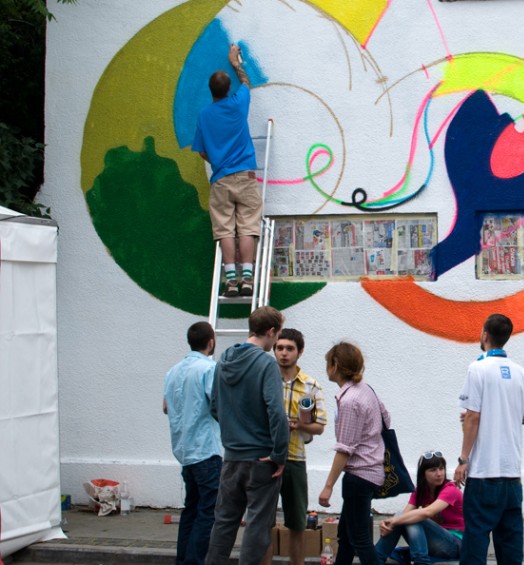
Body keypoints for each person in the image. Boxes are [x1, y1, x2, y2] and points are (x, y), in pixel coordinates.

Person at [205, 306, 289, 565]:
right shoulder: (266, 363)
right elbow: (276, 411)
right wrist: (279, 454)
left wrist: (234, 433)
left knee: (224, 523)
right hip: (261, 458)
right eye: (277, 337)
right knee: (257, 527)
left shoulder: (223, 361)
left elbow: (214, 407)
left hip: (231, 457)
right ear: (272, 331)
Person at [454, 313, 524, 565]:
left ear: (485, 335)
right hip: (512, 474)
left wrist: (463, 459)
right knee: (510, 546)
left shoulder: (477, 368)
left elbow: (473, 417)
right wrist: (503, 415)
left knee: (475, 543)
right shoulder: (521, 372)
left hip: (483, 473)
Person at [192, 43, 260, 298]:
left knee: (224, 230)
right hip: (245, 176)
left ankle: (230, 282)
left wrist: (218, 162)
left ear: (211, 91)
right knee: (247, 228)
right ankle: (248, 280)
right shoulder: (238, 104)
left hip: (221, 179)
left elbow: (202, 152)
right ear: (228, 88)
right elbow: (247, 83)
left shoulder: (204, 116)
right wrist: (236, 63)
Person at [260, 329, 327, 565]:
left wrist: (299, 424)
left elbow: (320, 426)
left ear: (300, 351)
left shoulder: (311, 385)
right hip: (265, 458)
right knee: (263, 524)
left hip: (295, 458)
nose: (284, 353)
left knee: (297, 523)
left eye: (289, 348)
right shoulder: (264, 379)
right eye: (279, 348)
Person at [318, 342, 388, 565]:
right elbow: (387, 419)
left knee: (359, 539)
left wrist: (328, 486)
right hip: (371, 472)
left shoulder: (349, 400)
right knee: (346, 537)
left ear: (335, 365)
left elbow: (345, 448)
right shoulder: (366, 391)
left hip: (359, 475)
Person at [163, 321, 222, 565]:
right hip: (206, 449)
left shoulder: (173, 371)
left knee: (190, 509)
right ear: (211, 342)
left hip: (184, 450)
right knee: (207, 513)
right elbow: (217, 405)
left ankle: (183, 560)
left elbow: (166, 407)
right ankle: (194, 561)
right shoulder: (209, 368)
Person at [375, 451, 463, 565]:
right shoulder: (420, 491)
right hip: (434, 543)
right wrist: (389, 523)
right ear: (423, 473)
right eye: (433, 470)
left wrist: (394, 520)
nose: (439, 473)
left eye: (441, 469)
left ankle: (421, 561)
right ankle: (375, 559)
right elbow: (404, 515)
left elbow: (427, 512)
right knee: (405, 517)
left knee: (416, 516)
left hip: (455, 545)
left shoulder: (451, 489)